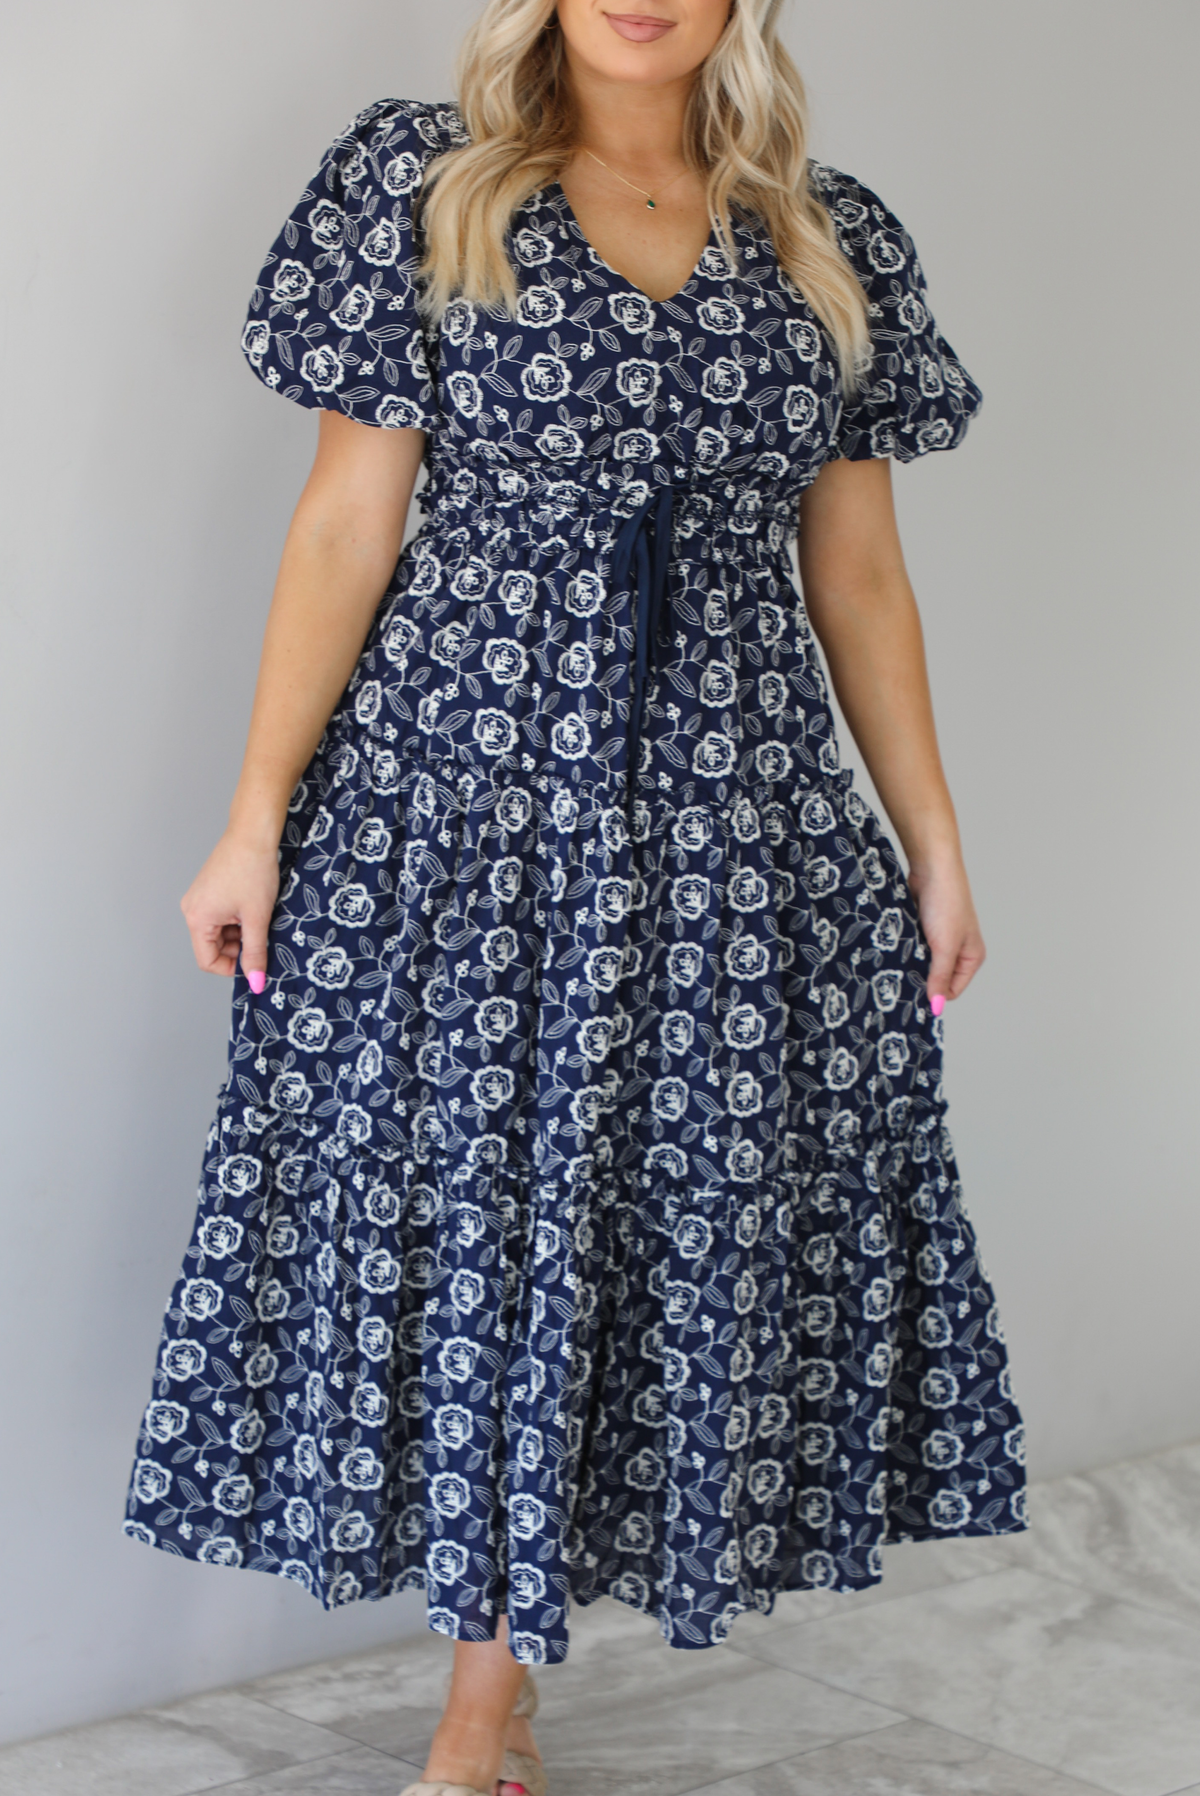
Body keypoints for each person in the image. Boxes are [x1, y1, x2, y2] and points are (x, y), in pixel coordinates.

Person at [124, 0, 1029, 1791]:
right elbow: (341, 527)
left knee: (654, 1229)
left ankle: (531, 1657)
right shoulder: (426, 184)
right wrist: (255, 819)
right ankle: (480, 1701)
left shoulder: (824, 236)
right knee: (476, 1233)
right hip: (458, 809)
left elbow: (857, 573)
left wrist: (933, 840)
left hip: (735, 820)